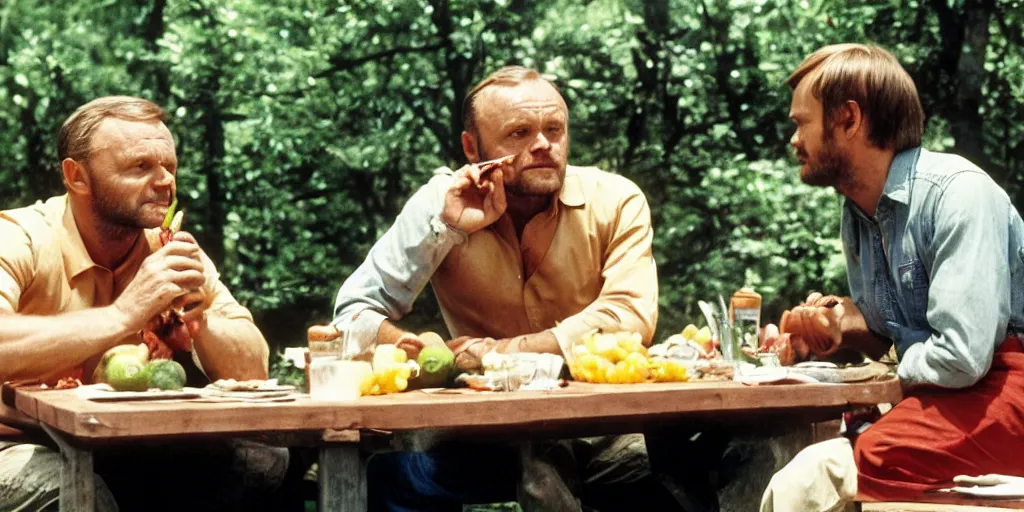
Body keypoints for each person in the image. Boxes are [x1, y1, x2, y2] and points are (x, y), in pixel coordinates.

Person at [331, 66, 686, 511]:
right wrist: (412, 342)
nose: (543, 145)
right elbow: (349, 316)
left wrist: (498, 354)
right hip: (488, 429)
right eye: (519, 132)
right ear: (471, 147)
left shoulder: (615, 199)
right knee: (389, 473)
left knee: (675, 471)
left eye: (554, 129)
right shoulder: (443, 203)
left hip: (602, 425)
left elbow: (630, 318)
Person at [759, 43, 1024, 511]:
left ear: (849, 119)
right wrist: (832, 333)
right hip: (955, 393)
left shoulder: (958, 193)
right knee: (787, 463)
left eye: (801, 123)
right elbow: (889, 331)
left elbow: (962, 356)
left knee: (844, 465)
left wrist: (890, 376)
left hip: (1007, 388)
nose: (794, 140)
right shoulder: (857, 211)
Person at [0, 96, 290, 512]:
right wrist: (124, 313)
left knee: (261, 462)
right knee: (74, 492)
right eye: (140, 167)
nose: (164, 181)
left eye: (169, 165)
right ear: (77, 176)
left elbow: (253, 372)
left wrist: (201, 323)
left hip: (120, 442)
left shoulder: (168, 246)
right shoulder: (20, 236)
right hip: (13, 441)